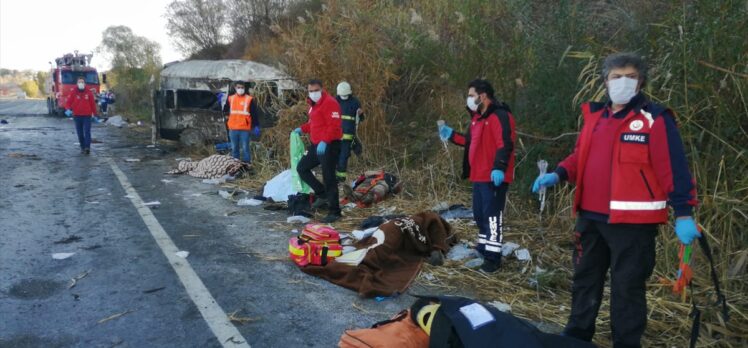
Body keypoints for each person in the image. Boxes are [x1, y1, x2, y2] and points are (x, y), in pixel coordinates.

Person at [531, 52, 698, 347]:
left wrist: (683, 212)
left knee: (627, 289)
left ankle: (625, 343)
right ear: (605, 82)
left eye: (630, 76)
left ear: (641, 81)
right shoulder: (595, 117)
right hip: (590, 219)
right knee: (585, 281)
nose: (623, 82)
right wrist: (558, 174)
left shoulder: (654, 119)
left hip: (633, 226)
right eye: (616, 76)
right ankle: (577, 337)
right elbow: (579, 156)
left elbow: (674, 168)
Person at [438, 79, 516, 273]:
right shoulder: (477, 119)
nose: (469, 99)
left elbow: (505, 143)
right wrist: (451, 135)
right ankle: (483, 248)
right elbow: (469, 142)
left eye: (472, 95)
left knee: (492, 219)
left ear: (483, 96)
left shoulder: (500, 116)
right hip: (478, 176)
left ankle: (493, 259)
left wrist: (499, 167)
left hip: (494, 177)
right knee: (481, 216)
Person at [294, 79, 343, 223]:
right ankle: (322, 195)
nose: (313, 93)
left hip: (330, 145)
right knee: (302, 168)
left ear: (322, 89)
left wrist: (326, 141)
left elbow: (335, 125)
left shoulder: (330, 103)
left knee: (329, 177)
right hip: (317, 145)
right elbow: (314, 124)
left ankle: (335, 211)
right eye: (311, 91)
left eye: (316, 90)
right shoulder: (313, 105)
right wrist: (302, 129)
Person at [222, 81, 260, 164]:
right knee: (234, 148)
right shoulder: (230, 98)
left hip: (244, 129)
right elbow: (225, 110)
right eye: (238, 87)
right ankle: (235, 165)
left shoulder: (249, 99)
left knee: (245, 148)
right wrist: (220, 103)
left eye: (242, 87)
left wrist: (256, 125)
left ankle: (247, 165)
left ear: (244, 88)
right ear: (235, 88)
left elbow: (254, 114)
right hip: (233, 128)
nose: (240, 89)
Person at [334, 81, 364, 182]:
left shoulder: (355, 102)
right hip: (335, 136)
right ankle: (333, 177)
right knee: (334, 157)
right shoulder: (334, 101)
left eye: (346, 95)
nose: (344, 97)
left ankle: (341, 179)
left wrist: (361, 114)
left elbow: (361, 118)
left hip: (348, 137)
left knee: (343, 157)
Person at [65, 76, 97, 155]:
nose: (81, 83)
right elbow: (68, 102)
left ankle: (87, 148)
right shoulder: (73, 92)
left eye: (82, 82)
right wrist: (68, 109)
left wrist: (95, 114)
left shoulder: (88, 92)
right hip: (77, 116)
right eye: (79, 82)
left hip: (87, 116)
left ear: (85, 83)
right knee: (80, 133)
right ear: (77, 83)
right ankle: (82, 147)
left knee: (87, 132)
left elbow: (93, 104)